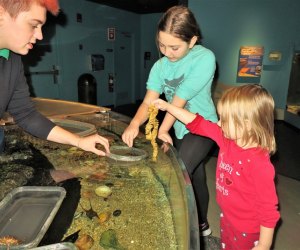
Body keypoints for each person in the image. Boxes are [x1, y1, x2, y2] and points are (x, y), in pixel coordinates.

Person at [122, 5, 217, 236]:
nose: (167, 52)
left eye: (174, 47)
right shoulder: (159, 67)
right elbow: (148, 102)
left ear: (192, 41)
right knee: (194, 175)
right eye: (162, 45)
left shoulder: (205, 58)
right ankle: (202, 223)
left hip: (204, 126)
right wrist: (134, 124)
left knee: (177, 170)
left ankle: (177, 227)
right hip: (180, 129)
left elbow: (179, 99)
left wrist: (162, 129)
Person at [152, 84, 280, 250]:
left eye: (225, 119)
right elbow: (196, 122)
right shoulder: (225, 139)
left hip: (247, 230)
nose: (219, 123)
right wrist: (168, 106)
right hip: (227, 218)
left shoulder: (259, 164)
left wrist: (264, 244)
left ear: (247, 124)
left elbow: (268, 210)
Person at [0, 0, 109, 156]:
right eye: (33, 25)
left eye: (41, 27)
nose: (40, 35)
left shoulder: (13, 60)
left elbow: (26, 114)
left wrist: (78, 141)